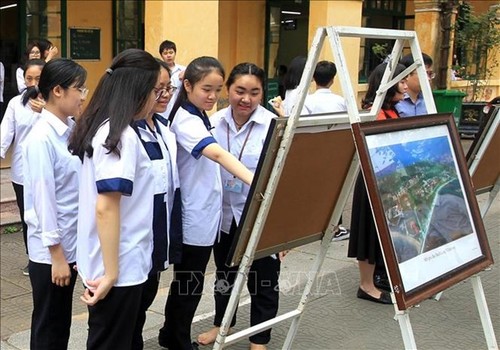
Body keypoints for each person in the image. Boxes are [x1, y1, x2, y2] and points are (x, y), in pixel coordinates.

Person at [157, 56, 254, 350]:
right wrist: (259, 181)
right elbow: (217, 155)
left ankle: (170, 333)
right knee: (188, 284)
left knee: (190, 282)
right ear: (187, 85)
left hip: (205, 215)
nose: (213, 96)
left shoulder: (198, 114)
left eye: (217, 89)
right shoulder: (186, 120)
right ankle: (176, 339)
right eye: (206, 89)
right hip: (193, 218)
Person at [68, 48, 160, 349]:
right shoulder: (119, 136)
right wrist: (111, 273)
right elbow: (106, 207)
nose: (156, 98)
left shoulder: (104, 127)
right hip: (118, 267)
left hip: (111, 261)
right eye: (154, 90)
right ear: (139, 90)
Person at [196, 63, 280, 350]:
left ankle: (260, 339)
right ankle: (223, 323)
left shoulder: (274, 125)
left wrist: (283, 227)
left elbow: (284, 176)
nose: (246, 99)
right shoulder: (213, 122)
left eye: (254, 92)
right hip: (224, 217)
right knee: (224, 275)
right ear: (228, 90)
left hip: (258, 216)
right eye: (239, 91)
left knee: (264, 280)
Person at [22, 58, 87, 349]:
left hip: (70, 245)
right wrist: (57, 256)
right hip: (52, 253)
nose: (83, 95)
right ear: (58, 90)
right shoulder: (40, 138)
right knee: (49, 327)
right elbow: (43, 201)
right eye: (79, 88)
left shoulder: (69, 129)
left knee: (60, 324)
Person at [130, 59, 182, 350]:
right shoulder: (126, 131)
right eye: (158, 88)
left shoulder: (163, 126)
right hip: (135, 235)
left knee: (146, 297)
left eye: (167, 88)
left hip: (159, 229)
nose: (164, 94)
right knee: (127, 311)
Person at [347, 62, 408, 304]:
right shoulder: (374, 112)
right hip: (373, 180)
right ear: (389, 83)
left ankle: (378, 278)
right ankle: (366, 285)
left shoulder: (392, 109)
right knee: (368, 233)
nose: (405, 85)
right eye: (401, 81)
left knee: (385, 233)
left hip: (389, 180)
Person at [1, 59, 46, 275]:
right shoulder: (16, 104)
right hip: (21, 172)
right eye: (29, 78)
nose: (33, 83)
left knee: (48, 212)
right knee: (28, 215)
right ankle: (34, 258)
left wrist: (47, 112)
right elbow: (5, 134)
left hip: (49, 171)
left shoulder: (56, 102)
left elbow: (70, 130)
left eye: (38, 78)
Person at [301, 60, 350, 241]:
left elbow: (302, 127)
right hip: (336, 151)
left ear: (314, 78)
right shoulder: (341, 102)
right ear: (333, 79)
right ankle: (334, 227)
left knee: (313, 189)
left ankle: (310, 225)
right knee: (334, 190)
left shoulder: (307, 101)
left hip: (313, 151)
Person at [395, 53, 434, 118]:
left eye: (430, 74)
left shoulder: (428, 100)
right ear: (407, 75)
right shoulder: (395, 101)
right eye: (424, 74)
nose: (428, 79)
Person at [159, 40, 186, 118]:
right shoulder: (158, 71)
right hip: (163, 110)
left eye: (171, 52)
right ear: (161, 55)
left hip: (178, 109)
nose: (169, 56)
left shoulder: (183, 70)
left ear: (175, 53)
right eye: (165, 53)